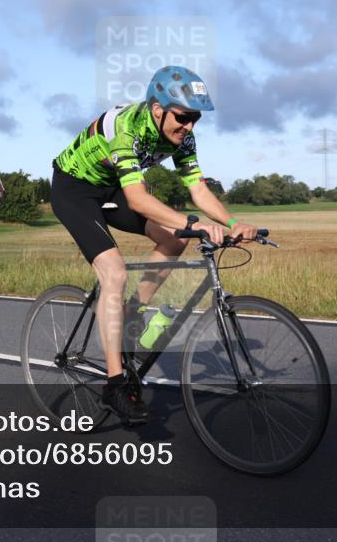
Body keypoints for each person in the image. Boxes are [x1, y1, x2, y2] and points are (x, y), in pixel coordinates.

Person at [50, 65, 258, 424]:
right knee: (114, 273)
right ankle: (115, 384)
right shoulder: (127, 126)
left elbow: (198, 189)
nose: (190, 126)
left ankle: (131, 313)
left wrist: (233, 223)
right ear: (158, 109)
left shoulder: (183, 138)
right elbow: (138, 200)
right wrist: (194, 224)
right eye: (184, 117)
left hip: (113, 188)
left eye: (195, 119)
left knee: (174, 240)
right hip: (75, 189)